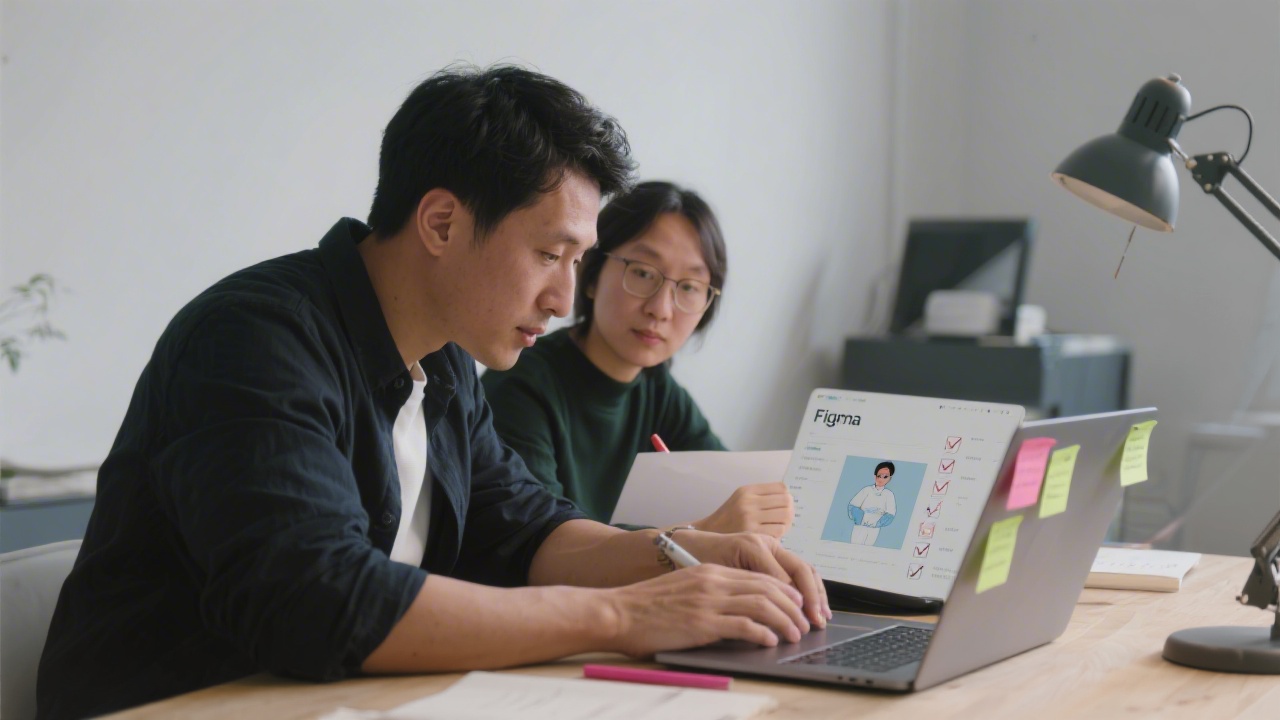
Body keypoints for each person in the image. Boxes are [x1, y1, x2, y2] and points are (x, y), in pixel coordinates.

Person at [35, 65, 829, 720]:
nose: (564, 299)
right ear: (442, 224)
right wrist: (629, 617)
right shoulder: (254, 339)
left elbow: (525, 530)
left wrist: (680, 553)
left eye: (579, 262)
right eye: (551, 255)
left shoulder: (446, 364)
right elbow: (319, 600)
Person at [481, 181, 793, 536]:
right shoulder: (522, 385)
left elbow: (738, 493)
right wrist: (700, 533)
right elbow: (541, 544)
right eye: (643, 273)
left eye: (689, 287)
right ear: (591, 274)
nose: (660, 309)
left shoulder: (658, 391)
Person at [848, 461, 897, 545]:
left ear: (890, 478)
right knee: (854, 546)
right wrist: (860, 521)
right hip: (860, 526)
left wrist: (876, 524)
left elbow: (890, 514)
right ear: (875, 476)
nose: (881, 479)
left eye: (885, 477)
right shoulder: (867, 490)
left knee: (868, 549)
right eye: (879, 476)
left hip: (874, 529)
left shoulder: (889, 495)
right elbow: (853, 506)